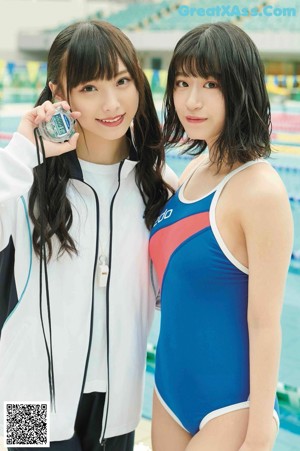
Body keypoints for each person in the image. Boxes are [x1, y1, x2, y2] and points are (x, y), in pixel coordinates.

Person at [0, 20, 177, 451]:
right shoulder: (25, 183)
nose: (112, 102)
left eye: (122, 80)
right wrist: (27, 148)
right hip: (27, 401)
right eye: (90, 88)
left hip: (117, 403)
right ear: (60, 94)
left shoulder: (158, 188)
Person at [149, 22, 293, 451]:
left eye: (210, 83)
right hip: (168, 391)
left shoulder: (261, 191)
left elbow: (266, 323)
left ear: (240, 88)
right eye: (182, 82)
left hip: (231, 406)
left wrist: (261, 429)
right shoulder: (193, 171)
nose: (191, 100)